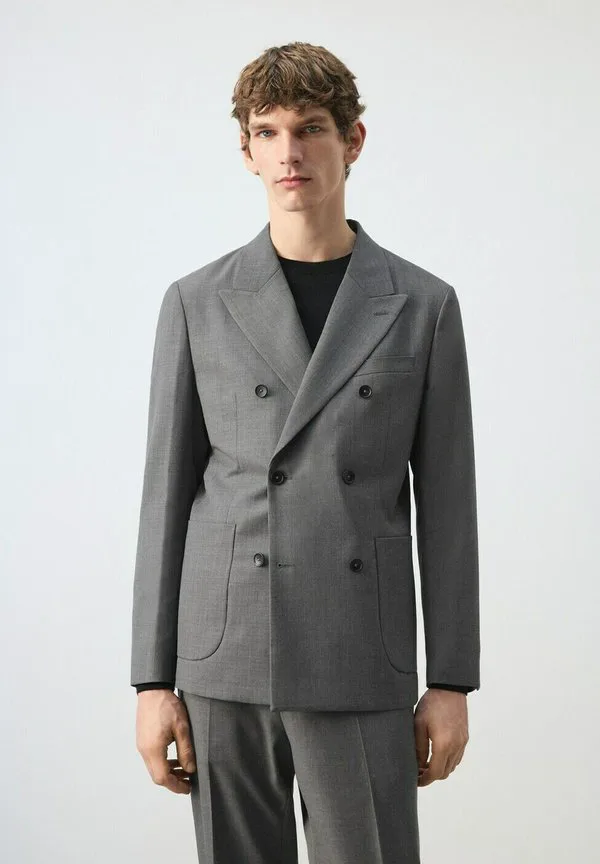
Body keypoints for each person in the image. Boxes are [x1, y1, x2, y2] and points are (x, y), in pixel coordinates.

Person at [131, 41, 480, 864]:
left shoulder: (422, 305)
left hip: (357, 649)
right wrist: (151, 680)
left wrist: (451, 679)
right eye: (268, 131)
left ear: (352, 140)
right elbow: (165, 497)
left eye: (311, 128)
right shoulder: (197, 302)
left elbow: (449, 506)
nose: (289, 151)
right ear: (247, 150)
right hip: (225, 652)